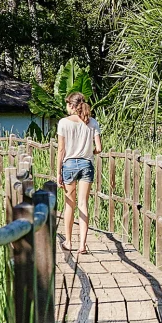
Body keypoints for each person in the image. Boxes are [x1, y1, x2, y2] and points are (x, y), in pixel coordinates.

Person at [57, 92, 102, 256]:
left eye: (67, 104)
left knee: (70, 204)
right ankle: (83, 245)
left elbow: (61, 150)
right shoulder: (92, 122)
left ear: (71, 105)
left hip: (69, 165)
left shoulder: (63, 123)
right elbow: (99, 148)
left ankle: (68, 242)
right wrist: (88, 152)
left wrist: (58, 173)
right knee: (83, 204)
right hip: (87, 164)